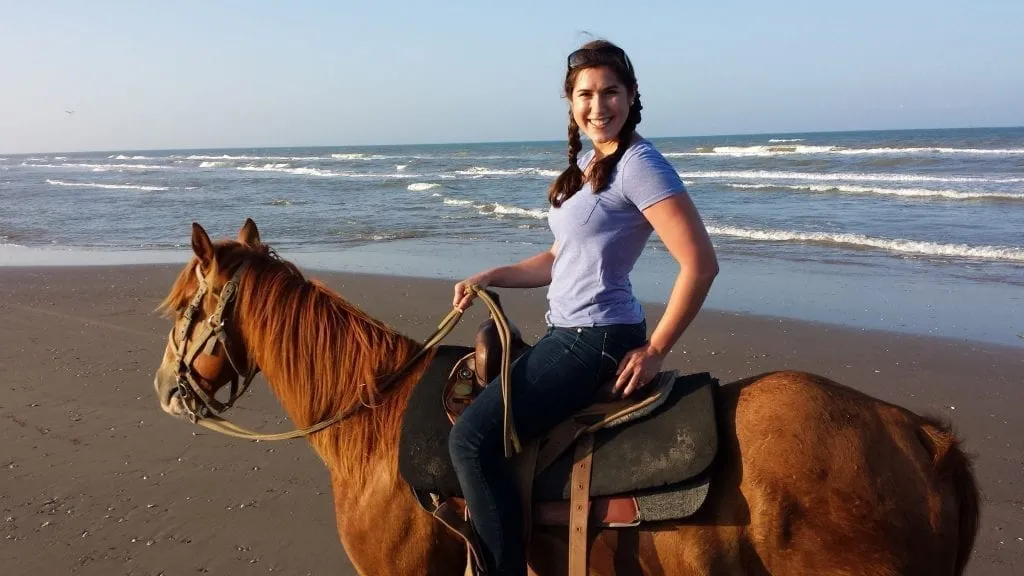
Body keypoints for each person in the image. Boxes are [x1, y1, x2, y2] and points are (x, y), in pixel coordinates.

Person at [448, 39, 719, 575]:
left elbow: (700, 263)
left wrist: (656, 348)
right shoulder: (593, 163)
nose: (600, 106)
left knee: (471, 441)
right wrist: (488, 275)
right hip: (565, 331)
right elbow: (557, 259)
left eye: (611, 92)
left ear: (632, 95)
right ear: (571, 103)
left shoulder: (640, 164)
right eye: (587, 94)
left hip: (595, 338)